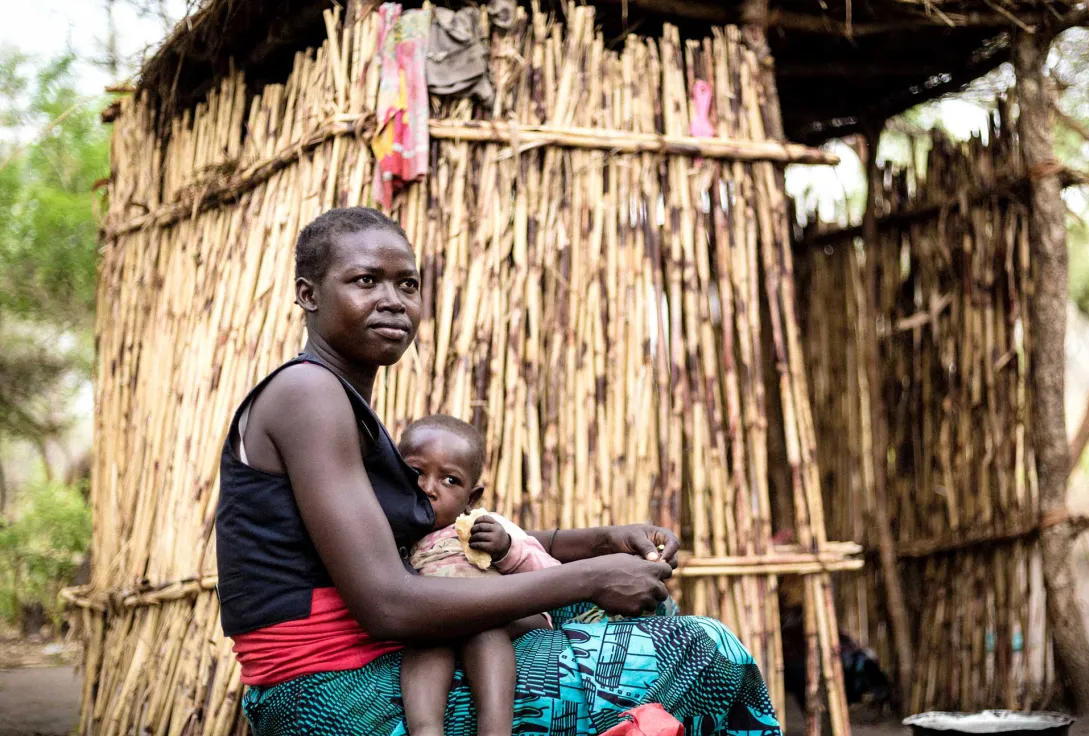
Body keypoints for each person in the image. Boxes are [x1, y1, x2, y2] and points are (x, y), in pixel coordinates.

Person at [214, 206, 781, 736]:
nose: (393, 301)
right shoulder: (308, 393)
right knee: (702, 649)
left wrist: (599, 543)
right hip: (331, 695)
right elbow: (387, 604)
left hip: (371, 664)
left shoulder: (335, 401)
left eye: (407, 284)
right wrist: (591, 576)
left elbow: (443, 545)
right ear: (308, 295)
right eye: (366, 281)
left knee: (652, 606)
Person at [397, 414, 559, 736]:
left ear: (471, 498)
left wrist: (506, 548)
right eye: (416, 473)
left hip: (504, 615)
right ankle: (426, 729)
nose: (428, 488)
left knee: (483, 629)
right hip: (438, 620)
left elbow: (550, 574)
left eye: (450, 480)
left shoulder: (485, 526)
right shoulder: (393, 535)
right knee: (424, 639)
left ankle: (495, 728)